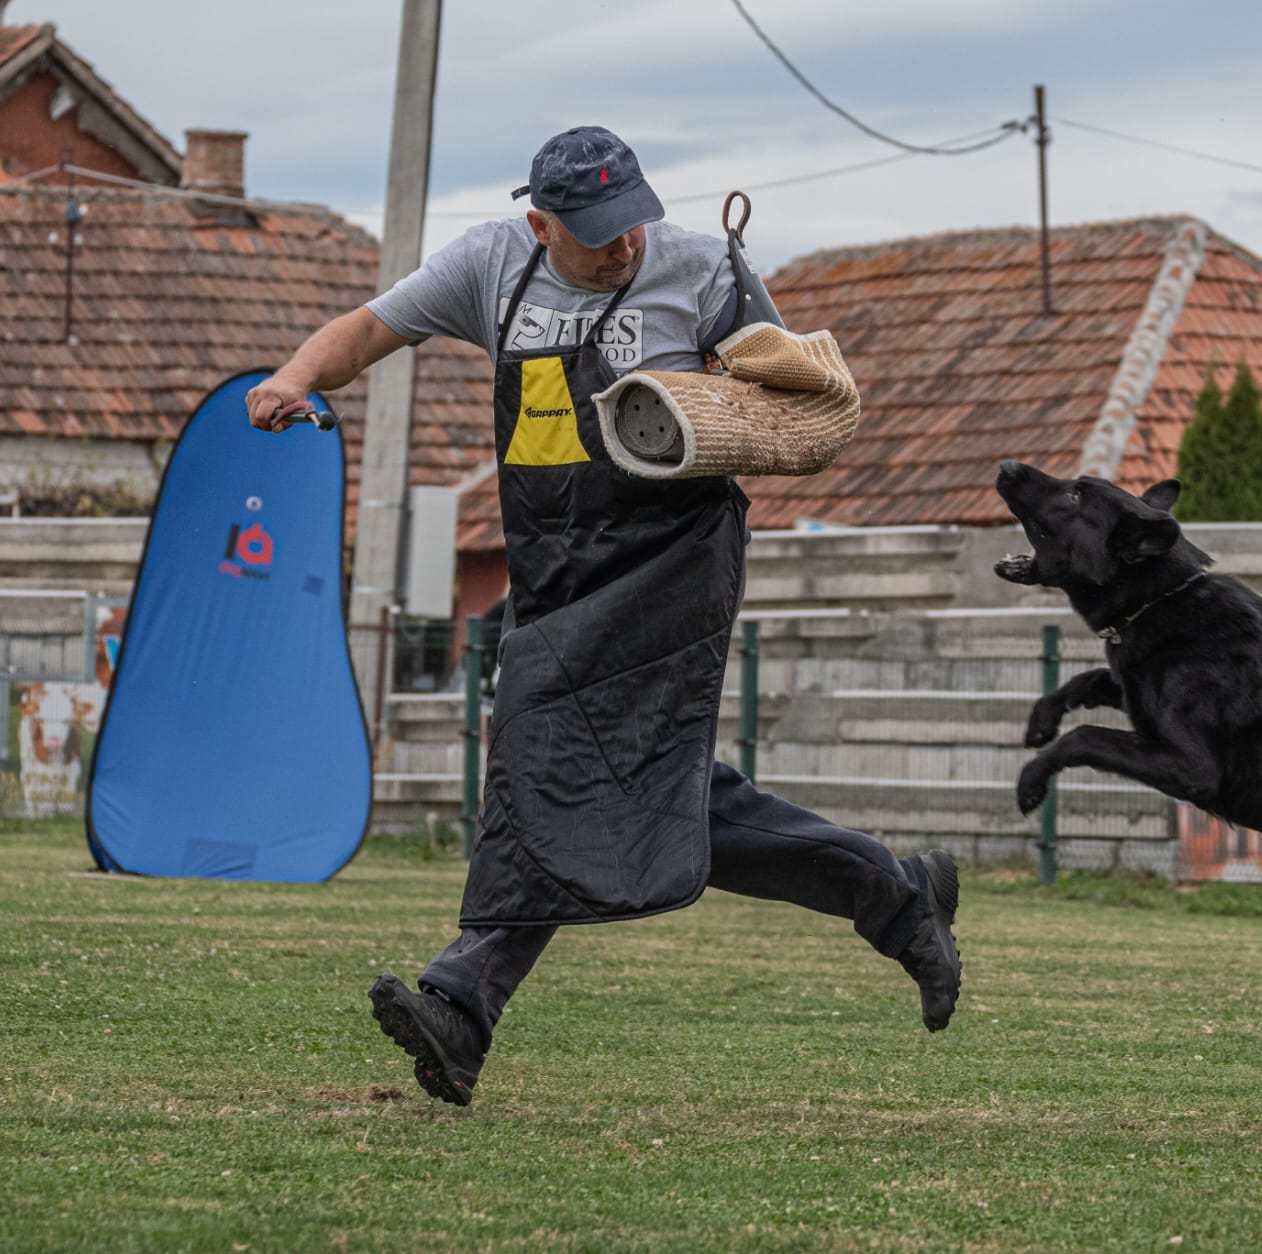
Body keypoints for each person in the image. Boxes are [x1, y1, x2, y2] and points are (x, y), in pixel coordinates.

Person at [245, 126, 961, 1107]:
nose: (623, 247)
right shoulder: (487, 268)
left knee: (555, 762)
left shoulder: (703, 269)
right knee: (651, 794)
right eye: (595, 234)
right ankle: (894, 894)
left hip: (671, 565)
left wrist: (748, 400)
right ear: (538, 224)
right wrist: (293, 377)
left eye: (632, 224)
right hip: (555, 571)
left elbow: (801, 404)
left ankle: (462, 1002)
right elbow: (369, 330)